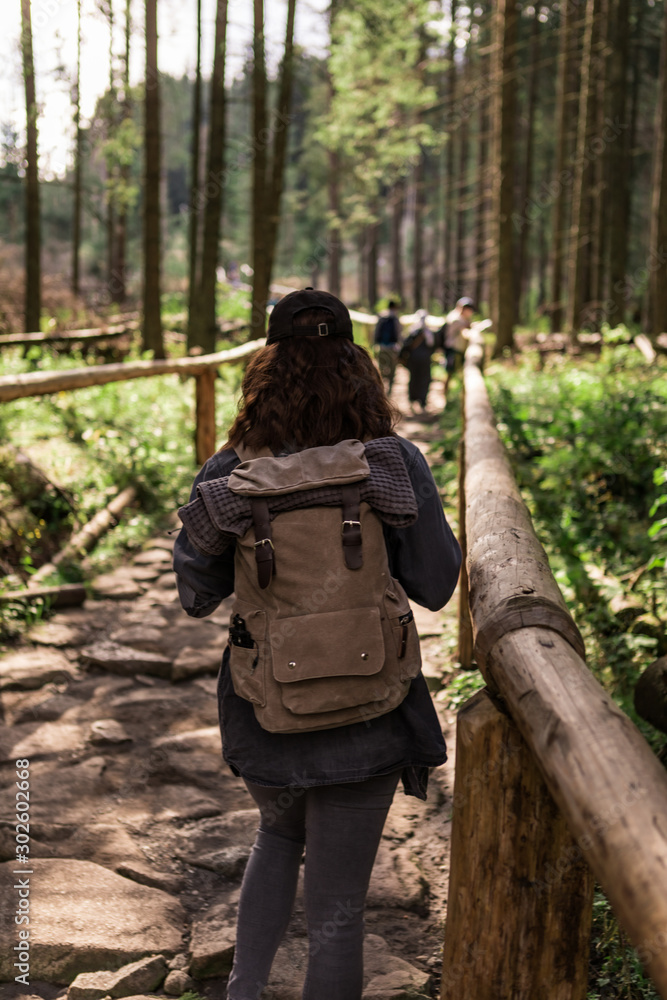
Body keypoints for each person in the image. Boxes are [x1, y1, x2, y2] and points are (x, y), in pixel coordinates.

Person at [173, 288, 461, 1000]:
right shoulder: (390, 462)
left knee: (276, 839)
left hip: (264, 707)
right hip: (370, 708)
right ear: (358, 368)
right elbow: (434, 582)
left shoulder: (228, 473)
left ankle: (243, 991)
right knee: (337, 910)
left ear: (266, 368)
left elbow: (195, 593)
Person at [405, 308, 437, 413]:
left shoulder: (412, 331)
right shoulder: (427, 332)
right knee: (422, 379)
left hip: (414, 359)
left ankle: (414, 399)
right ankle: (421, 400)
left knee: (414, 378)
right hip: (424, 359)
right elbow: (432, 345)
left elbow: (406, 346)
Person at [442, 296, 475, 399]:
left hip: (457, 349)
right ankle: (446, 397)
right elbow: (463, 330)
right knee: (450, 373)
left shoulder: (459, 318)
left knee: (453, 373)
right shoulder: (456, 318)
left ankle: (451, 397)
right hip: (453, 349)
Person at [373, 299, 402, 394]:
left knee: (381, 368)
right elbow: (398, 333)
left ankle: (381, 388)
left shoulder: (381, 317)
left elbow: (376, 332)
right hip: (393, 348)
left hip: (381, 347)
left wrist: (375, 344)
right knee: (392, 369)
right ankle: (389, 389)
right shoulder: (395, 318)